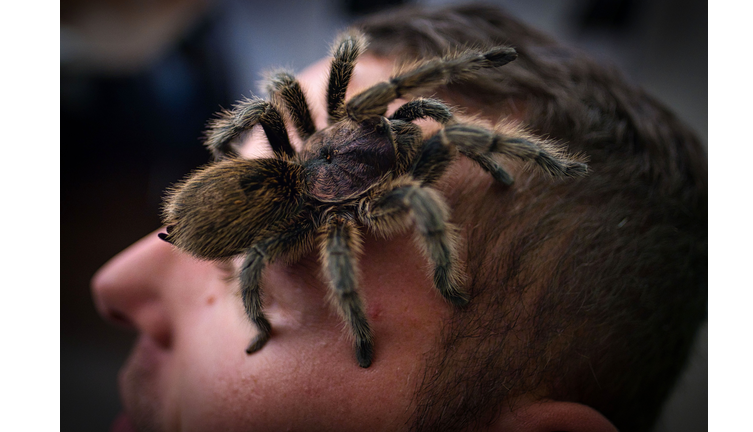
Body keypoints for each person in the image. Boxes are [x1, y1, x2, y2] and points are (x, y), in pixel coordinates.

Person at [91, 4, 707, 432]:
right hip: (296, 188)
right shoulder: (334, 201)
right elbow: (296, 98)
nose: (111, 282)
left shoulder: (351, 146)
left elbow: (308, 102)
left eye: (246, 292)